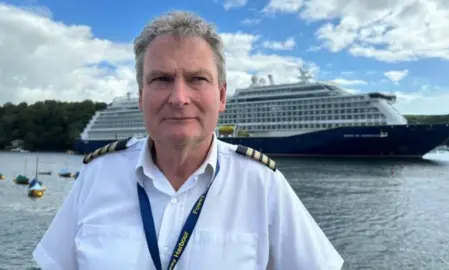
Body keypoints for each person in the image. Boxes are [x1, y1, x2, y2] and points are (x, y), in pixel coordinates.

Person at [32, 11, 344, 270]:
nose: (179, 98)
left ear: (221, 96)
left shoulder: (262, 184)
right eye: (161, 79)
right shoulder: (97, 176)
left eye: (197, 79)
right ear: (141, 96)